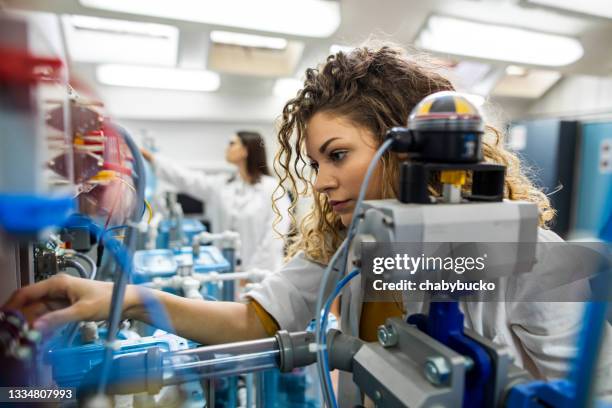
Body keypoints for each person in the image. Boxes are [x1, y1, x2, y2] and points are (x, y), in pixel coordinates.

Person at [3, 45, 611, 404]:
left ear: (405, 145)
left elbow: (595, 391)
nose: (319, 181)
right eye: (316, 162)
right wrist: (119, 297)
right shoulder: (348, 250)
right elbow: (250, 319)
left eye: (338, 155)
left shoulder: (527, 258)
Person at [142, 131, 290, 272]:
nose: (227, 148)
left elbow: (274, 237)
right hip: (226, 270)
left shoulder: (272, 189)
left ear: (246, 150)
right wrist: (150, 157)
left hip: (261, 275)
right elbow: (188, 179)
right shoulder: (224, 185)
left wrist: (253, 272)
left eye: (232, 143)